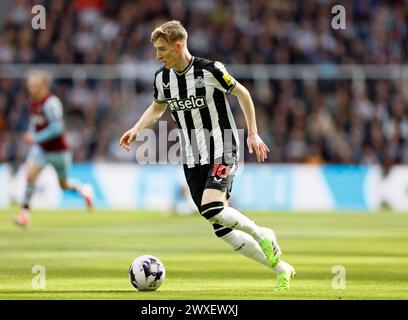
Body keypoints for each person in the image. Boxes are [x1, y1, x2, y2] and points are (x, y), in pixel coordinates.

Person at [120, 20, 295, 291]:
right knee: (220, 226)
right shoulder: (162, 78)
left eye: (162, 49)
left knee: (213, 207)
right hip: (191, 156)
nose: (158, 55)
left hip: (222, 147)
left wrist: (252, 133)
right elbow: (157, 108)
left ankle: (263, 235)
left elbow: (243, 93)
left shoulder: (210, 70)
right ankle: (281, 268)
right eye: (156, 49)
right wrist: (136, 128)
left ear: (178, 46)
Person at [14, 70, 94, 228]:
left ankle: (83, 190)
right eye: (29, 85)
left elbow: (57, 128)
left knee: (63, 185)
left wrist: (35, 138)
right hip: (43, 150)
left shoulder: (51, 102)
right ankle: (24, 215)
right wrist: (31, 134)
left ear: (43, 85)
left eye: (34, 84)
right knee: (30, 176)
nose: (31, 87)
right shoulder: (32, 102)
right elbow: (34, 123)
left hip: (59, 152)